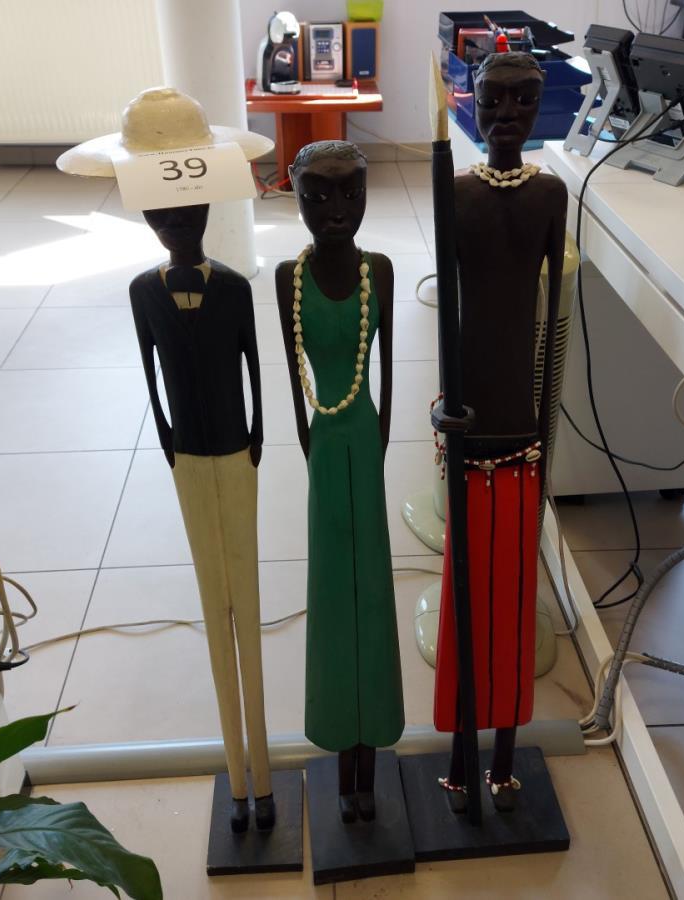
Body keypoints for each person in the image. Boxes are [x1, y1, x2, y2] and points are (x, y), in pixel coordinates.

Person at [57, 88, 277, 833]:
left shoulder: (236, 289)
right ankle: (238, 777)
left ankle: (263, 778)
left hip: (235, 446)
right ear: (147, 216)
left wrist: (257, 432)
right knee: (213, 598)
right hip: (187, 447)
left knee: (246, 591)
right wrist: (163, 436)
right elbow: (150, 375)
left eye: (189, 210)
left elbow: (254, 368)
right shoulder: (142, 293)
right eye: (163, 214)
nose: (179, 222)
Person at [433, 51, 569, 813]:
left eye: (523, 99)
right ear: (471, 103)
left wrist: (546, 416)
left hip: (521, 422)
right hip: (471, 419)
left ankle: (505, 759)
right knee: (466, 594)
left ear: (540, 107)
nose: (508, 113)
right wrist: (443, 404)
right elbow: (447, 313)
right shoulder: (454, 193)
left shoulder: (550, 194)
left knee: (514, 594)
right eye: (494, 98)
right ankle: (461, 756)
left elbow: (552, 313)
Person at [275, 141, 404, 824]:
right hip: (326, 442)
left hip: (362, 436)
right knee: (331, 588)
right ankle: (338, 747)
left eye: (351, 194)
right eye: (317, 197)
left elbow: (387, 370)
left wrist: (379, 438)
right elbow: (293, 379)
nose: (335, 210)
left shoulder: (379, 270)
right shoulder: (287, 279)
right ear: (293, 197)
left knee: (372, 588)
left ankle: (371, 760)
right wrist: (307, 439)